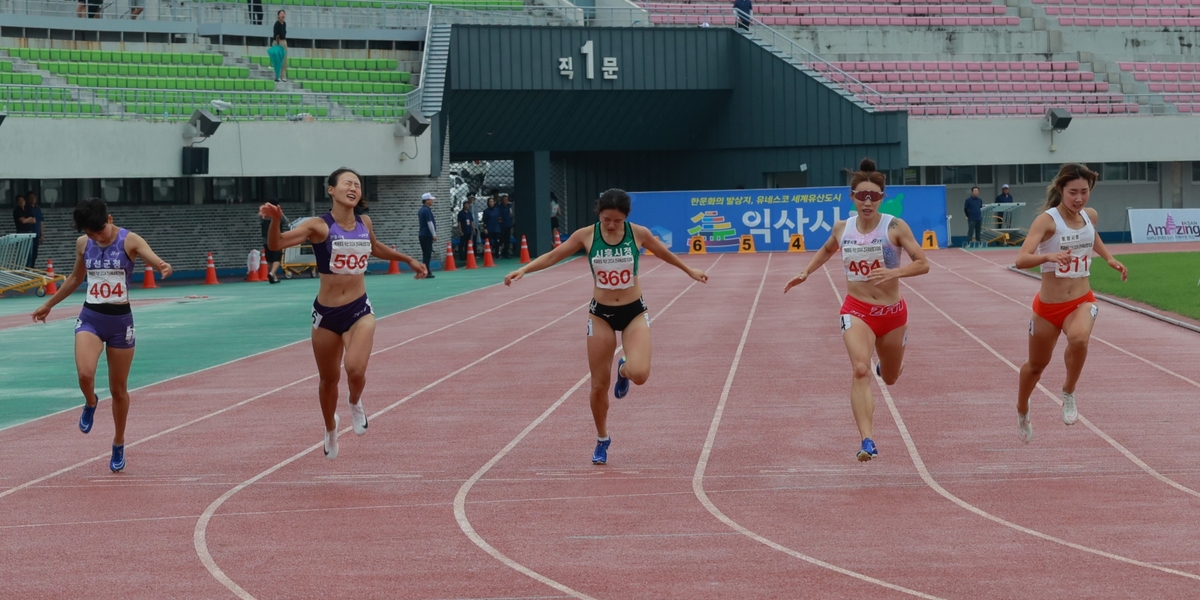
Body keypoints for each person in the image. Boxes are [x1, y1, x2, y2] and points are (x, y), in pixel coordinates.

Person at [504, 189, 709, 465]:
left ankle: (623, 368)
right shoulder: (586, 235)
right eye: (606, 219)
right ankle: (602, 439)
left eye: (617, 220)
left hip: (634, 311)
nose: (611, 225)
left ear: (626, 217)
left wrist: (689, 271)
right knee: (599, 384)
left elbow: (663, 253)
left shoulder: (638, 233)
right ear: (598, 214)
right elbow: (555, 256)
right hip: (600, 314)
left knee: (640, 374)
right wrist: (525, 269)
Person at [260, 167, 427, 459]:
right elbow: (276, 245)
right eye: (348, 183)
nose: (354, 188)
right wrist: (275, 221)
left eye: (358, 185)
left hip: (358, 309)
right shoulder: (319, 226)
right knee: (328, 379)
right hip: (325, 315)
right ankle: (330, 428)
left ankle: (355, 402)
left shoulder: (364, 222)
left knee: (355, 369)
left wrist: (408, 259)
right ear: (332, 190)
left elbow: (375, 248)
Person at [784, 158, 929, 462]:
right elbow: (827, 249)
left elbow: (923, 263)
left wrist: (893, 273)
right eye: (862, 196)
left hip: (892, 315)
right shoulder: (842, 227)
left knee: (889, 377)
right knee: (860, 368)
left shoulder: (894, 227)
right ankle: (867, 440)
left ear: (881, 198)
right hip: (856, 311)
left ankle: (888, 366)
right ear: (852, 198)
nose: (867, 201)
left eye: (873, 196)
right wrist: (805, 272)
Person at [30, 198, 173, 472]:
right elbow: (75, 278)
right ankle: (90, 401)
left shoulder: (129, 240)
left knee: (118, 390)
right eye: (90, 233)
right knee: (85, 374)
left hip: (120, 323)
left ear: (110, 219)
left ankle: (118, 442)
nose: (97, 237)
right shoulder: (84, 244)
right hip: (91, 318)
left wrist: (162, 266)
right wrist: (49, 303)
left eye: (100, 232)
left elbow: (152, 257)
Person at [1013, 163, 1127, 444]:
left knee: (1079, 339)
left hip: (1081, 300)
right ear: (1061, 190)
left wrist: (1109, 258)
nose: (1079, 198)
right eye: (1073, 192)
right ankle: (1022, 407)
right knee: (1036, 367)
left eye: (1084, 192)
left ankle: (1068, 391)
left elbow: (1092, 237)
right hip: (1048, 308)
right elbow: (1021, 260)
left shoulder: (1089, 216)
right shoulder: (1047, 221)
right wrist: (1047, 257)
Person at [260, 209, 287, 283]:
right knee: (277, 259)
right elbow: (286, 221)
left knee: (270, 260)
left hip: (266, 241)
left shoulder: (264, 215)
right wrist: (281, 213)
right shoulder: (278, 215)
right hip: (276, 240)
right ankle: (271, 274)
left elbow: (260, 219)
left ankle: (274, 277)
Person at [418, 192, 437, 279]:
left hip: (422, 234)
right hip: (426, 234)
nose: (432, 201)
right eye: (430, 199)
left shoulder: (421, 210)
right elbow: (430, 223)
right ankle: (426, 271)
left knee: (426, 254)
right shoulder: (427, 210)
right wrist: (434, 234)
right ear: (426, 200)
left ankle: (425, 271)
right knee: (427, 254)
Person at [26, 192, 44, 269]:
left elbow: (41, 222)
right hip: (29, 234)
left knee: (35, 253)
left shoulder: (37, 209)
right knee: (28, 254)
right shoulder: (26, 209)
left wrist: (42, 234)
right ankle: (27, 268)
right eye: (30, 197)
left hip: (37, 234)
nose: (32, 199)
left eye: (34, 197)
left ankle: (32, 268)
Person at [457, 196, 474, 263]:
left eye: (468, 205)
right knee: (462, 243)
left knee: (468, 243)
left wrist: (473, 228)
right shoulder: (461, 213)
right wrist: (460, 230)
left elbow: (471, 221)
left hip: (468, 230)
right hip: (463, 230)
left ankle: (468, 256)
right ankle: (461, 256)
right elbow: (459, 222)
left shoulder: (469, 213)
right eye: (465, 205)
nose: (467, 206)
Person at [272, 11, 288, 82]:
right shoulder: (277, 24)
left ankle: (283, 76)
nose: (283, 15)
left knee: (284, 60)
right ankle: (277, 76)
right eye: (281, 14)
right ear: (278, 15)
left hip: (284, 41)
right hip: (278, 41)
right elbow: (276, 35)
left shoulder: (284, 24)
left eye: (284, 14)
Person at [497, 194, 513, 258]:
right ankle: (499, 252)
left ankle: (506, 253)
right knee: (501, 240)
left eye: (507, 199)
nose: (506, 201)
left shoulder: (509, 206)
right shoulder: (499, 207)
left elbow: (511, 215)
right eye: (504, 199)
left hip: (508, 225)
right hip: (502, 226)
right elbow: (498, 216)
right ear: (502, 200)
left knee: (507, 240)